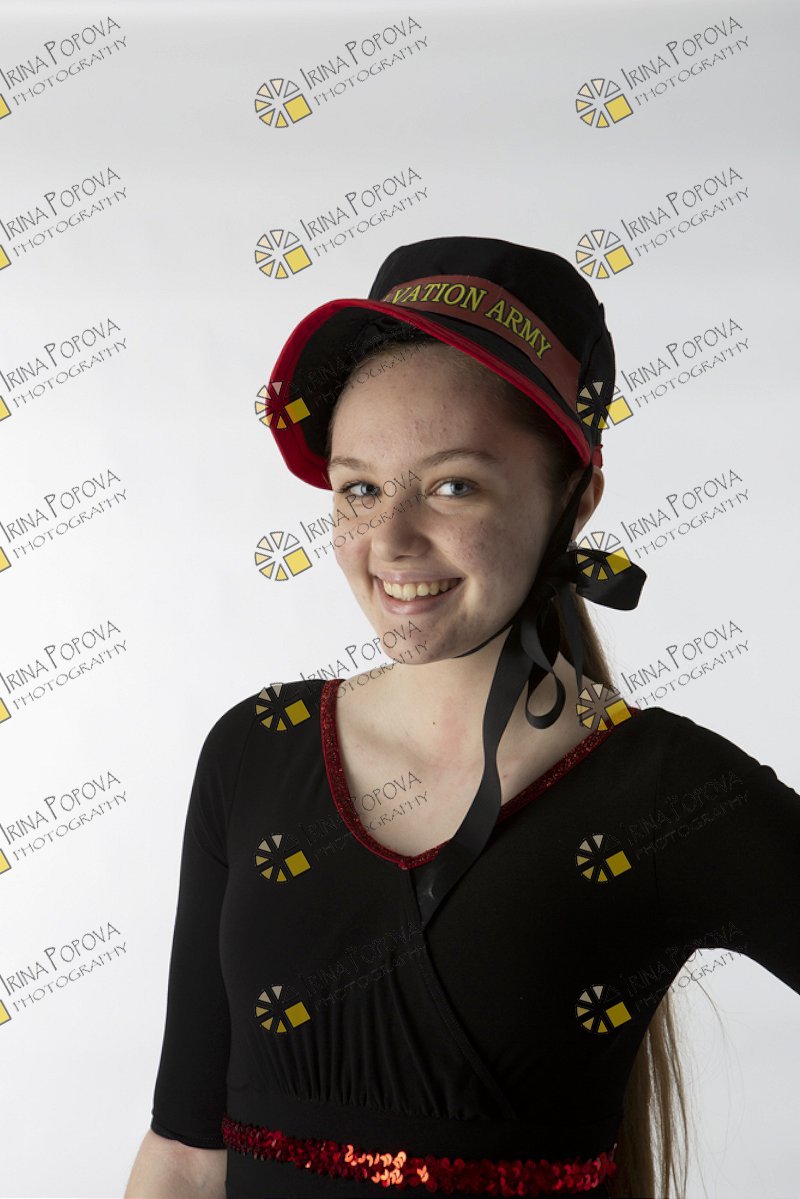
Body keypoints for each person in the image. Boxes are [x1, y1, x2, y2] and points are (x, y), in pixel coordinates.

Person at [125, 236, 800, 1199]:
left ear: (575, 500)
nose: (391, 541)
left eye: (453, 485)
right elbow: (186, 1159)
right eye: (361, 488)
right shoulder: (253, 751)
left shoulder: (668, 792)